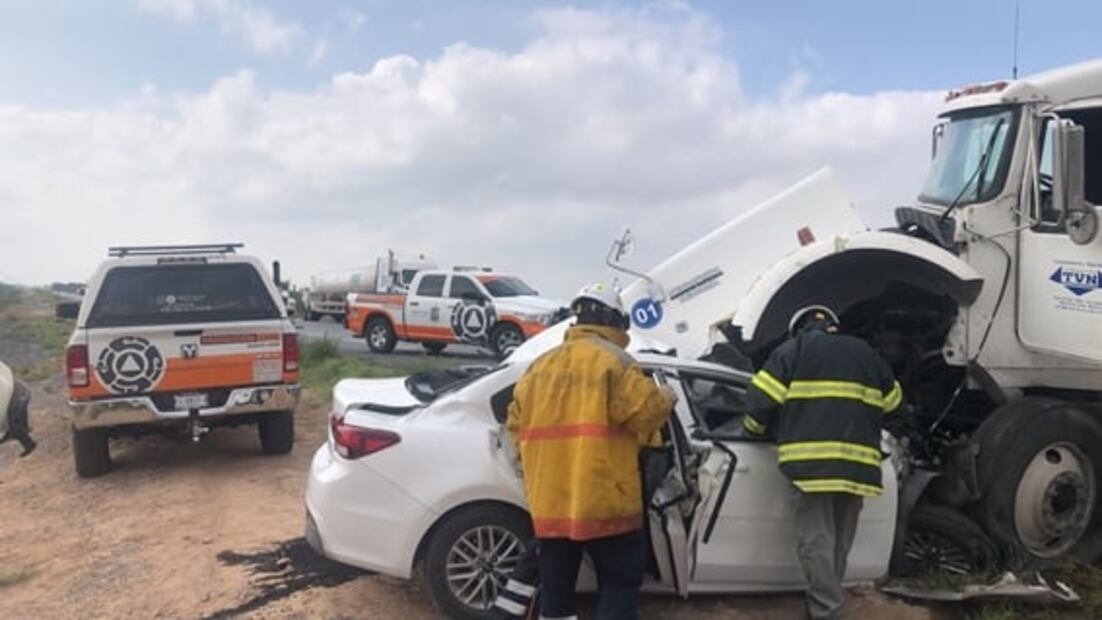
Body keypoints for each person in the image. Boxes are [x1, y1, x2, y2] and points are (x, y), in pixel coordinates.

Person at [506, 282, 676, 620]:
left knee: (556, 594)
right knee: (620, 582)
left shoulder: (539, 367)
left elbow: (514, 429)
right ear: (616, 321)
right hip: (605, 503)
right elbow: (645, 413)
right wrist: (667, 398)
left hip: (551, 504)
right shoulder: (616, 363)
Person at [744, 305, 901, 620]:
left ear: (798, 329)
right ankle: (828, 601)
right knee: (839, 542)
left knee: (816, 541)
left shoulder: (793, 351)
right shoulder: (867, 354)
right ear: (834, 325)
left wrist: (752, 431)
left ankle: (827, 610)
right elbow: (894, 403)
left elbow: (761, 402)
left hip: (810, 466)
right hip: (857, 466)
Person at [1, 360, 36, 457]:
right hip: (20, 391)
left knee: (15, 425)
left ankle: (30, 445)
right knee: (16, 422)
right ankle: (22, 430)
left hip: (19, 395)